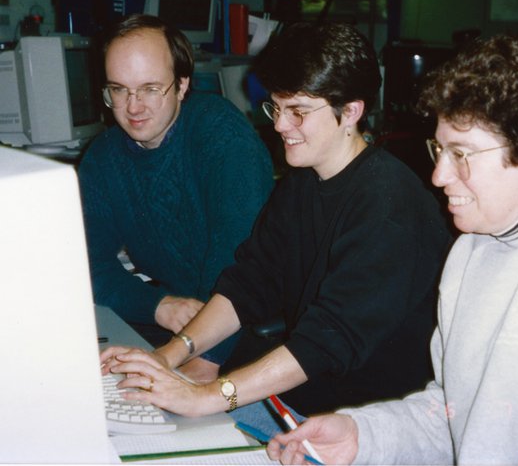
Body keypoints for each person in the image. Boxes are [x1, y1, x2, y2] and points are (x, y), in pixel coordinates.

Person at [267, 32, 518, 465]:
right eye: (440, 150)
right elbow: (457, 414)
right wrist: (365, 435)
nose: (438, 176)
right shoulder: (472, 250)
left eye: (462, 153)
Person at [99, 22, 452, 426]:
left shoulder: (390, 206)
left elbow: (327, 340)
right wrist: (167, 356)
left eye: (298, 112)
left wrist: (204, 397)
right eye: (276, 108)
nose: (281, 126)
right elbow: (248, 285)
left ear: (351, 111)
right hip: (306, 401)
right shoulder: (304, 182)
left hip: (366, 424)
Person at [79, 14, 274, 378]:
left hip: (249, 327)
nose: (133, 106)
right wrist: (159, 306)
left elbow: (241, 269)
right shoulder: (103, 158)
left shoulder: (222, 138)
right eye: (118, 90)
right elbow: (88, 266)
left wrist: (202, 361)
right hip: (180, 325)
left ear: (183, 85)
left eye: (151, 88)